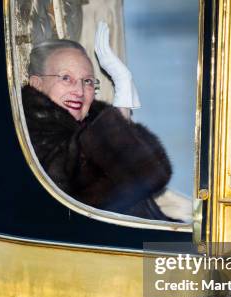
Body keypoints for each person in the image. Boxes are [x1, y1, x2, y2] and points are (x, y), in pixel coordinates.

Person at [22, 22, 175, 221]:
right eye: (66, 78)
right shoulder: (32, 131)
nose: (79, 91)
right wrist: (122, 97)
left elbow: (159, 171)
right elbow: (139, 178)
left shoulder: (94, 119)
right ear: (36, 84)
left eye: (87, 81)